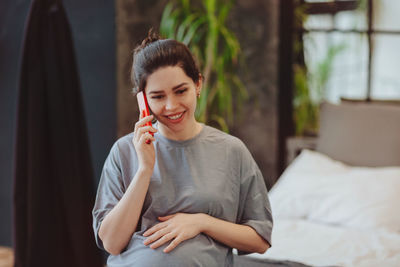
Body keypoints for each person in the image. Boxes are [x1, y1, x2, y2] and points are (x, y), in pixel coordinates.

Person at [92, 31, 273, 267]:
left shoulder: (232, 151)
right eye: (157, 96)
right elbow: (112, 244)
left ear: (197, 84)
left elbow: (259, 240)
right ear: (143, 101)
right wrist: (144, 169)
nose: (171, 106)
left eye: (180, 91)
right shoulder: (124, 151)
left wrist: (201, 222)